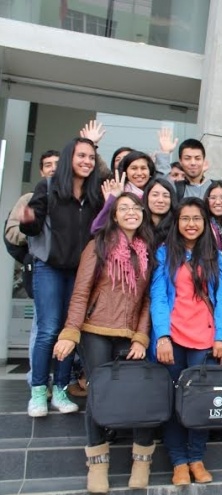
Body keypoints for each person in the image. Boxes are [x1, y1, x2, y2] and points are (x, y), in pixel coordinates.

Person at [53, 192, 155, 493]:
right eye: (124, 208)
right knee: (99, 395)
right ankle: (97, 464)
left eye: (136, 208)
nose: (132, 212)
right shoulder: (97, 245)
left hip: (128, 335)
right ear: (113, 215)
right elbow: (81, 292)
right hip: (95, 330)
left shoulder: (147, 250)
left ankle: (142, 459)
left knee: (140, 396)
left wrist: (140, 336)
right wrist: (70, 332)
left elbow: (147, 299)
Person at [20, 137, 104, 418]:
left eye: (91, 157)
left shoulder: (94, 194)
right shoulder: (48, 186)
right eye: (81, 156)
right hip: (50, 267)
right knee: (48, 330)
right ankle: (38, 391)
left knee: (71, 331)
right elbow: (31, 230)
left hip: (80, 272)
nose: (86, 162)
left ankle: (60, 389)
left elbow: (101, 225)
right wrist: (28, 218)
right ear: (70, 158)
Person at [150, 197, 222, 486]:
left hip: (205, 340)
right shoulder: (164, 254)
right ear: (177, 222)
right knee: (173, 402)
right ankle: (179, 461)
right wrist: (162, 336)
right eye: (185, 218)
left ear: (205, 223)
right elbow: (158, 297)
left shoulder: (215, 256)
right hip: (173, 339)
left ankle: (196, 457)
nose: (191, 224)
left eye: (197, 218)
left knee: (200, 402)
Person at [5, 150, 60, 386]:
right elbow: (11, 233)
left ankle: (62, 381)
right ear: (41, 171)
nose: (53, 169)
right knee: (43, 327)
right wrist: (36, 234)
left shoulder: (70, 198)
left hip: (68, 271)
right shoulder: (29, 198)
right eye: (48, 165)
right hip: (42, 269)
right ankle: (36, 381)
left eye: (58, 164)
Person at [91, 151, 156, 232]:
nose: (139, 173)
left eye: (143, 168)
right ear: (125, 172)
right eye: (134, 168)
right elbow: (97, 229)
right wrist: (111, 202)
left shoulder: (154, 195)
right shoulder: (114, 192)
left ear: (150, 171)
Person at [155, 129, 212, 200]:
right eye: (187, 158)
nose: (193, 163)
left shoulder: (214, 187)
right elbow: (161, 185)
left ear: (204, 161)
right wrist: (165, 152)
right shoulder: (176, 188)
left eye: (197, 158)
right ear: (180, 162)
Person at [143, 178, 177, 248]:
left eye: (166, 196)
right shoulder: (138, 227)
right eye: (155, 195)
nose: (160, 200)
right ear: (147, 197)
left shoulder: (177, 227)